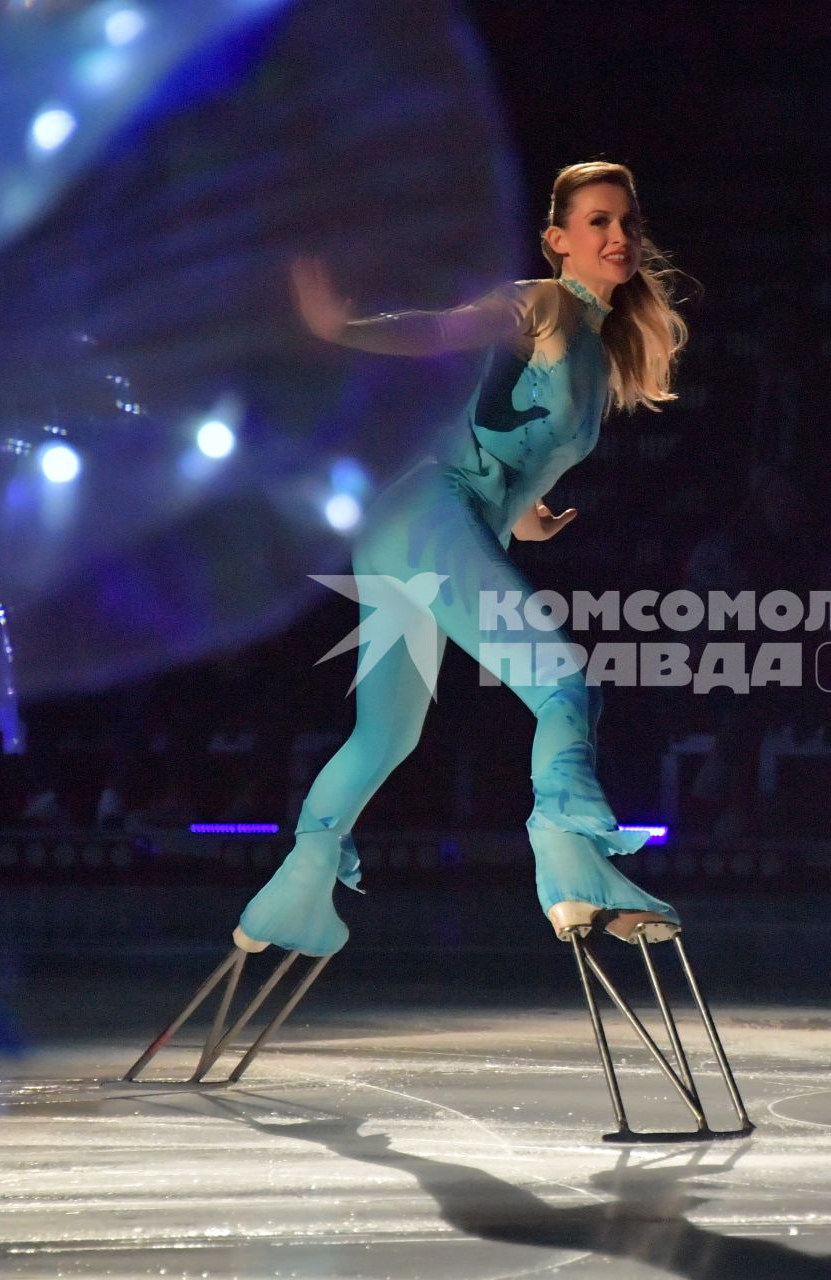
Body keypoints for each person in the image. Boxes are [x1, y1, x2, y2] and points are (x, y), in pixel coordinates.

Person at [237, 162, 685, 957]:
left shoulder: (597, 344)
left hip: (420, 527)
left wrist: (529, 513)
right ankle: (574, 869)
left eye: (627, 223)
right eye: (598, 223)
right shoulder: (546, 303)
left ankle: (293, 897)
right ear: (558, 241)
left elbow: (511, 444)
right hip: (430, 519)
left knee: (384, 737)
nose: (619, 237)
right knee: (561, 687)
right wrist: (346, 329)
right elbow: (446, 329)